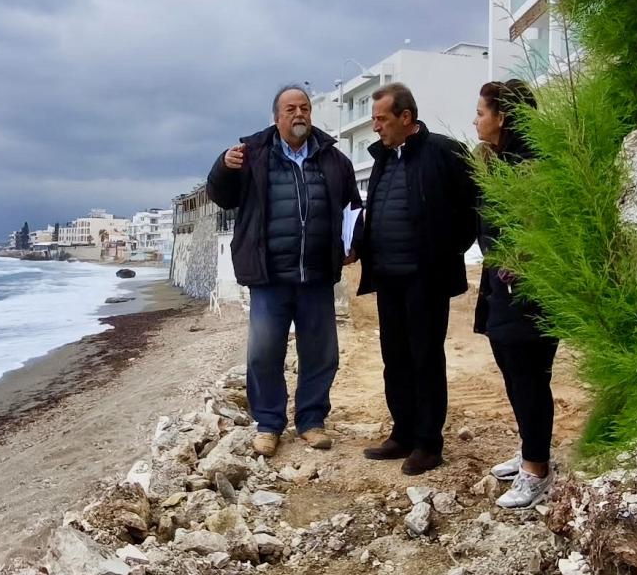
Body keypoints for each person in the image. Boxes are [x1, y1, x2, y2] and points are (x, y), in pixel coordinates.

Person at [207, 84, 362, 458]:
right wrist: (223, 168)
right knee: (263, 353)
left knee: (321, 353)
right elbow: (221, 196)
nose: (299, 114)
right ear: (276, 117)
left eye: (305, 108)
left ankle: (311, 421)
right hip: (269, 276)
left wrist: (352, 243)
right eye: (291, 108)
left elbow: (352, 206)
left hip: (316, 276)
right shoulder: (251, 155)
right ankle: (269, 424)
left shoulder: (333, 159)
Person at [355, 83, 477, 475]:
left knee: (425, 358)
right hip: (387, 277)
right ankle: (402, 433)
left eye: (381, 119)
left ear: (406, 118)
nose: (376, 127)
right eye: (374, 119)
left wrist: (448, 249)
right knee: (395, 358)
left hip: (426, 278)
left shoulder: (443, 151)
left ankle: (428, 443)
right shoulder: (383, 159)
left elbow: (473, 204)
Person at [472, 79, 559, 508]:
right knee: (513, 372)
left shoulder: (532, 165)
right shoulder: (500, 161)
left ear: (502, 117)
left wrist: (521, 263)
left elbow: (541, 228)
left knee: (529, 378)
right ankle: (530, 451)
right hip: (501, 287)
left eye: (481, 112)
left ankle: (537, 469)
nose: (476, 120)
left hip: (528, 291)